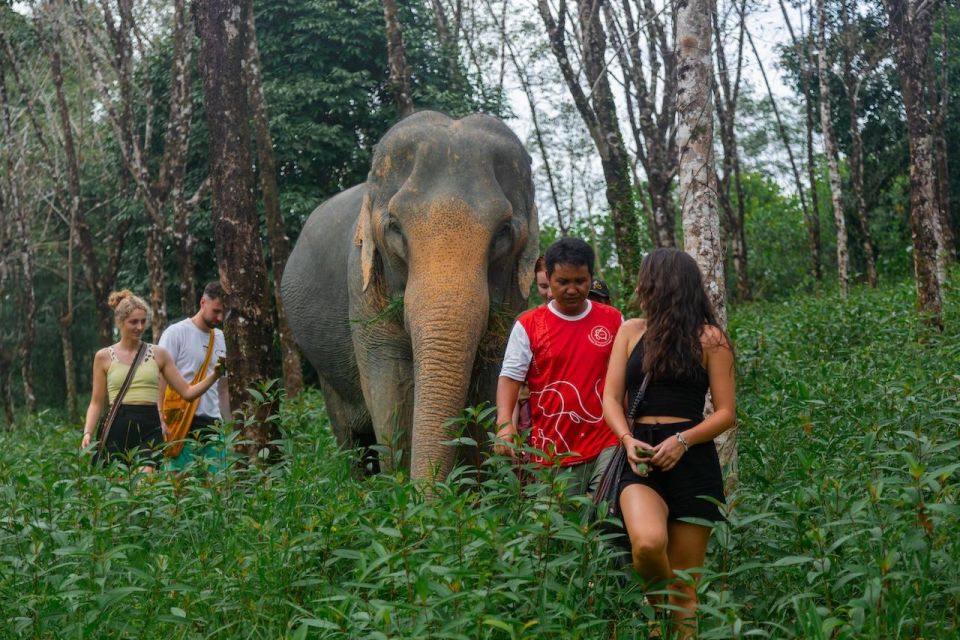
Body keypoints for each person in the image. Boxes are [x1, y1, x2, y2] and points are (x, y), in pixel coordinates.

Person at [602, 248, 735, 639]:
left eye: (647, 281)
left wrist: (683, 440)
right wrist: (626, 439)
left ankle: (668, 627)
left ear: (664, 286)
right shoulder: (630, 331)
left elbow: (726, 412)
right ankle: (658, 616)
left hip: (691, 458)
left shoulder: (710, 338)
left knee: (684, 587)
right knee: (646, 544)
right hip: (640, 453)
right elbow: (610, 398)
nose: (641, 288)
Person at [496, 237, 622, 495]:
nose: (572, 289)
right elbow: (510, 377)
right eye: (563, 282)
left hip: (608, 439)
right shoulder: (529, 325)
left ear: (590, 277)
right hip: (553, 449)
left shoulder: (613, 320)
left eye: (580, 281)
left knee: (605, 517)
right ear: (549, 281)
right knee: (560, 528)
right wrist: (504, 424)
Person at [81, 290, 223, 471]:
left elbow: (187, 392)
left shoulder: (159, 354)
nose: (139, 327)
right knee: (119, 489)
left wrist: (215, 375)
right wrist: (88, 432)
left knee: (145, 485)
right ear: (120, 322)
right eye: (133, 322)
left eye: (142, 321)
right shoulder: (103, 357)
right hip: (118, 423)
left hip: (149, 425)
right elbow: (96, 402)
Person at [158, 281, 230, 470]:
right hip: (181, 422)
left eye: (223, 312)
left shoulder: (222, 338)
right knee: (180, 491)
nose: (220, 317)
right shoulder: (176, 333)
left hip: (213, 424)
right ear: (202, 303)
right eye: (216, 311)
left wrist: (229, 425)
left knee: (216, 490)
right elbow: (160, 377)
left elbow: (222, 387)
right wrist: (158, 416)